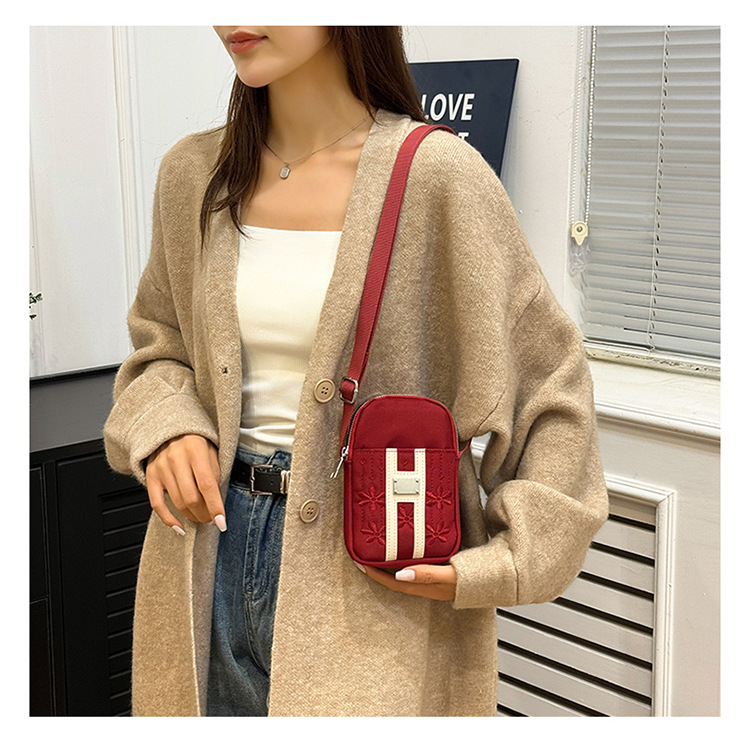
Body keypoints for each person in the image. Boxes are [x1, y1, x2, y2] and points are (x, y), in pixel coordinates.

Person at [103, 26, 609, 717]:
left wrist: (509, 559)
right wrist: (167, 426)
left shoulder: (440, 177)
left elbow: (552, 386)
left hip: (373, 578)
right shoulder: (193, 174)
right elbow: (158, 344)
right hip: (202, 552)